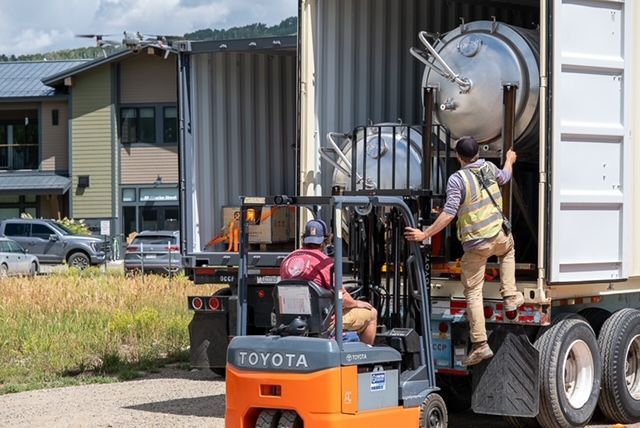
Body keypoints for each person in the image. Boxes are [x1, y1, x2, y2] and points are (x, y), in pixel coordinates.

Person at [404, 136, 524, 366]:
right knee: (508, 251)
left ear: (459, 156)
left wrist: (425, 234)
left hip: (476, 246)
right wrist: (509, 159)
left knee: (473, 292)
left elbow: (449, 213)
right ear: (478, 153)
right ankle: (509, 297)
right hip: (499, 235)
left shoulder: (457, 179)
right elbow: (505, 177)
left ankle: (480, 344)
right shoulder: (489, 167)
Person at [280, 219, 378, 345]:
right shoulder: (325, 263)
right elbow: (342, 297)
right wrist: (356, 303)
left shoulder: (287, 260)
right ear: (325, 242)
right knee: (371, 313)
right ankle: (365, 360)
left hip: (292, 319)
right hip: (323, 321)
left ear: (303, 238)